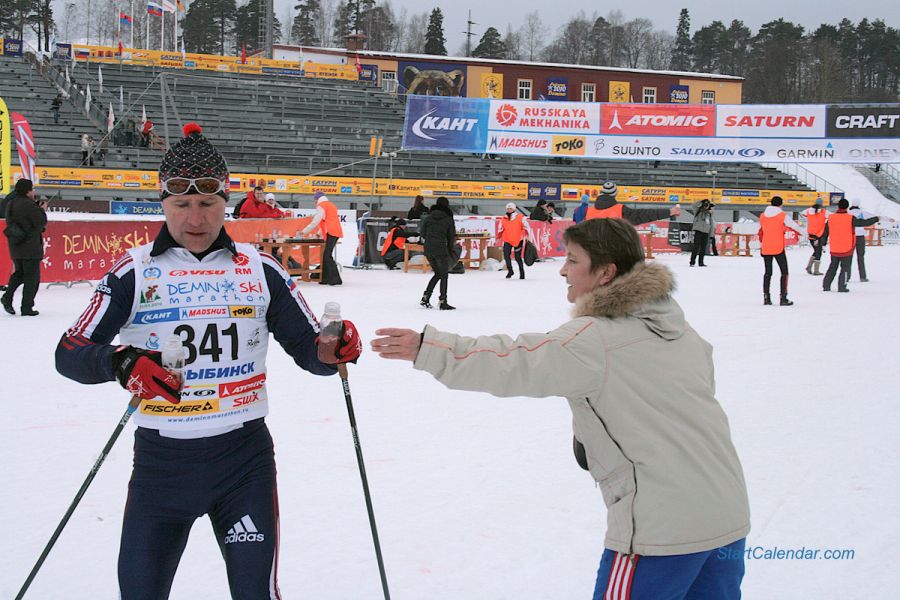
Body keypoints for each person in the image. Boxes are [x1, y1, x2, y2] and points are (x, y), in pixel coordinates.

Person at [54, 122, 362, 598]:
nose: (194, 219)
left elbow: (311, 351)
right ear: (162, 203)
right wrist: (121, 363)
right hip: (162, 465)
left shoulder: (260, 269)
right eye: (181, 204)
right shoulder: (134, 271)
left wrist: (331, 348)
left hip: (243, 462)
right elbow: (69, 351)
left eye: (207, 204)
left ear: (226, 202)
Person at [371, 218, 750, 600]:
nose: (563, 270)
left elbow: (513, 360)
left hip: (660, 531)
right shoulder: (684, 334)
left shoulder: (593, 340)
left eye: (572, 260)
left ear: (606, 273)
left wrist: (428, 347)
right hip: (727, 515)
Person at [1, 179, 47, 316]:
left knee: (19, 274)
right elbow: (40, 222)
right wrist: (42, 210)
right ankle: (26, 307)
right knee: (32, 279)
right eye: (32, 189)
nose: (34, 192)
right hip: (30, 247)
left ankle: (7, 297)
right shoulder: (29, 205)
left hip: (16, 245)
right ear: (27, 191)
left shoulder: (11, 203)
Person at [822, 199, 878, 293]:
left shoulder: (831, 218)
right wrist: (876, 219)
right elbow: (864, 223)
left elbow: (825, 232)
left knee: (832, 266)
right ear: (847, 207)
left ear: (838, 206)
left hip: (834, 247)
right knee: (845, 268)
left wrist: (823, 243)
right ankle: (842, 287)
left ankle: (826, 285)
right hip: (846, 247)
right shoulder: (850, 218)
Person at [758, 196, 805, 306]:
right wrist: (807, 234)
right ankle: (783, 297)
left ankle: (766, 297)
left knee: (768, 273)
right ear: (780, 205)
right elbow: (794, 226)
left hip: (766, 247)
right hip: (778, 247)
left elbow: (760, 232)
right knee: (784, 272)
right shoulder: (782, 215)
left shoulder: (762, 216)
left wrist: (761, 245)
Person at [419, 196, 456, 310]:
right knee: (444, 275)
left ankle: (426, 297)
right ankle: (443, 301)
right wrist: (451, 250)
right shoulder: (448, 219)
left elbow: (423, 233)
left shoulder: (428, 218)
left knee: (438, 274)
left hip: (429, 249)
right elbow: (451, 237)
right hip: (441, 249)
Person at [585, 181, 681, 224]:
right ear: (615, 194)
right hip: (614, 253)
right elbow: (644, 215)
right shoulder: (621, 210)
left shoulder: (588, 212)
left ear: (601, 192)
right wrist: (669, 212)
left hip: (593, 255)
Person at [301, 191, 343, 285]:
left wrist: (303, 232)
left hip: (331, 232)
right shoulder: (331, 205)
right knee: (325, 256)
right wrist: (319, 233)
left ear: (317, 199)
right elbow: (327, 221)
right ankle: (325, 278)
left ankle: (336, 279)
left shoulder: (321, 206)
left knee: (327, 256)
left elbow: (315, 222)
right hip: (336, 231)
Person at [499, 202, 526, 279]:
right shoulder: (504, 218)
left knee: (518, 257)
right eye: (508, 208)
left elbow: (527, 227)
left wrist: (527, 236)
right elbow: (500, 228)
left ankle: (522, 273)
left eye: (510, 208)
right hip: (507, 239)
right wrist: (498, 236)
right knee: (506, 256)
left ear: (514, 209)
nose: (509, 210)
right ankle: (510, 271)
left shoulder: (521, 217)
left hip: (518, 240)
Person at [801, 199, 828, 276]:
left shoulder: (809, 210)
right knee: (818, 252)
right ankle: (816, 270)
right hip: (819, 235)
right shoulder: (824, 212)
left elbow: (802, 213)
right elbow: (831, 216)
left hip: (811, 235)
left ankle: (809, 267)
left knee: (817, 251)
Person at [849, 204, 874, 282]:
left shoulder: (848, 213)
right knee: (861, 257)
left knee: (848, 257)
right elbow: (873, 217)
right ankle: (862, 276)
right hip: (860, 236)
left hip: (851, 236)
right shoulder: (862, 212)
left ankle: (847, 275)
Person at [689, 200, 714, 267]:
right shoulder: (698, 211)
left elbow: (712, 224)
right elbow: (693, 204)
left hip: (706, 231)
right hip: (698, 230)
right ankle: (692, 262)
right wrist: (701, 201)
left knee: (703, 248)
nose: (706, 206)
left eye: (707, 205)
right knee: (696, 247)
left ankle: (701, 262)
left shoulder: (709, 213)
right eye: (705, 205)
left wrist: (710, 205)